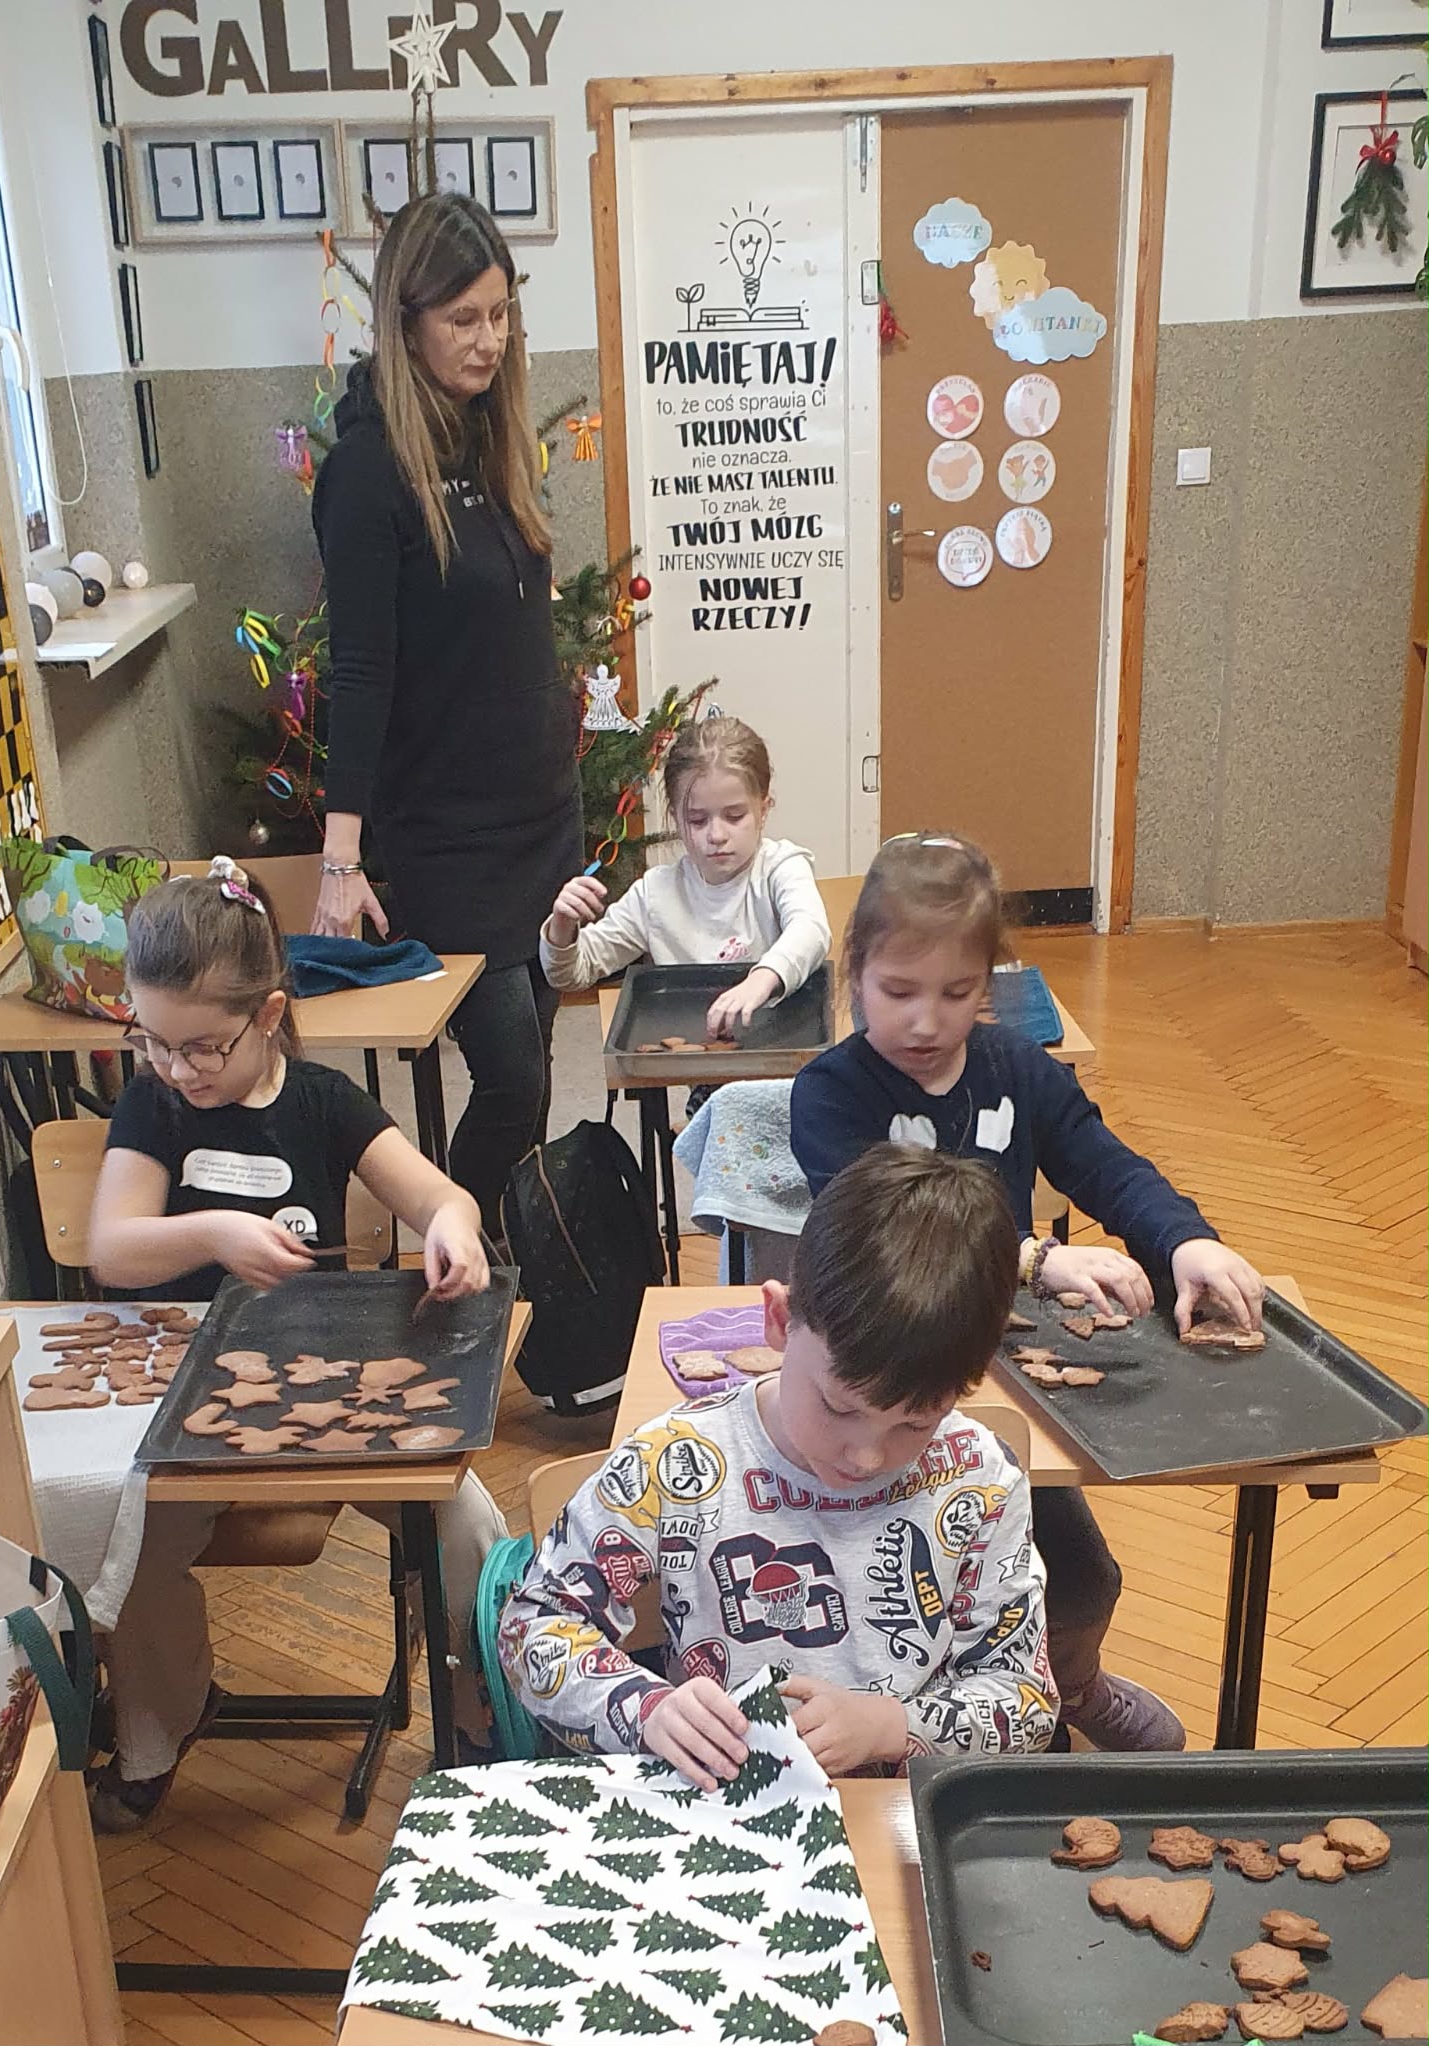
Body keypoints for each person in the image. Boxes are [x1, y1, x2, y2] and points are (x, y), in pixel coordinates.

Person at [790, 832, 1267, 1754]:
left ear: (990, 982)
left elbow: (1105, 1163)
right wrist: (1035, 1258)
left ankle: (1067, 1685)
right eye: (898, 991)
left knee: (1082, 1583)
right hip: (883, 1391)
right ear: (854, 975)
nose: (926, 1020)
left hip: (998, 1380)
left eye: (957, 993)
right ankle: (946, 1715)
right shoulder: (830, 1093)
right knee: (904, 1598)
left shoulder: (1016, 1069)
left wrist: (1186, 1242)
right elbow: (886, 1234)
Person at [85, 859, 507, 1830]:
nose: (179, 1068)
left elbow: (439, 1195)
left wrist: (452, 1228)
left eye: (204, 1046)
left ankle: (479, 1710)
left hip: (329, 1394)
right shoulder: (153, 1104)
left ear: (269, 1015)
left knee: (465, 1526)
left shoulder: (321, 1101)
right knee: (126, 1554)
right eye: (154, 1041)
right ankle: (159, 1727)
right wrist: (210, 1234)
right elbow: (112, 1247)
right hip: (190, 1408)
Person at [501, 1145, 1057, 1781]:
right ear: (778, 1320)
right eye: (838, 1406)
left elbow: (1028, 1701)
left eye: (915, 1423)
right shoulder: (676, 1462)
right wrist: (644, 1708)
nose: (867, 1454)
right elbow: (533, 1623)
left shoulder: (980, 1478)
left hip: (904, 1816)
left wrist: (894, 1726)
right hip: (726, 1803)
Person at [311, 192, 581, 1229]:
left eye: (500, 313)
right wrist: (341, 858)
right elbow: (360, 671)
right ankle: (455, 1241)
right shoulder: (365, 473)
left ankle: (500, 1260)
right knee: (510, 1077)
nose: (487, 339)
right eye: (462, 318)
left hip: (540, 819)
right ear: (407, 320)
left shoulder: (488, 436)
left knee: (536, 1067)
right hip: (449, 840)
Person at [540, 716, 831, 1043]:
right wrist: (562, 927)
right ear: (676, 818)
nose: (716, 835)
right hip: (698, 1060)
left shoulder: (781, 867)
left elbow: (811, 930)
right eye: (697, 820)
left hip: (781, 1054)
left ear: (764, 810)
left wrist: (762, 978)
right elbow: (571, 975)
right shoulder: (655, 895)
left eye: (734, 816)